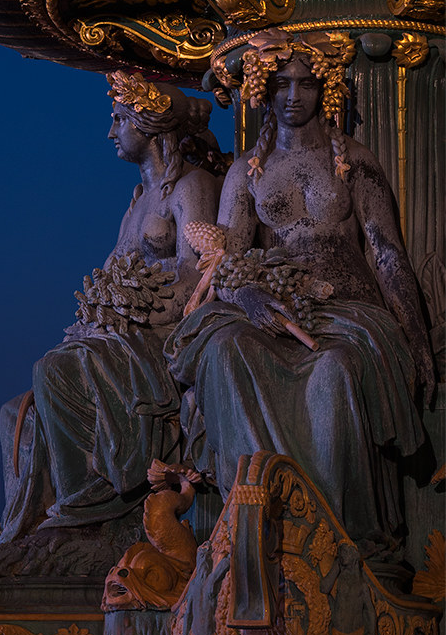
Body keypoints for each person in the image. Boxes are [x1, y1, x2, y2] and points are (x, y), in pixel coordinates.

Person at [166, 30, 435, 562]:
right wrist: (247, 300)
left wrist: (416, 336)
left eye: (307, 85)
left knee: (334, 370)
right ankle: (255, 518)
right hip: (272, 304)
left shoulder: (353, 161)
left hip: (348, 307)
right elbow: (226, 260)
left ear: (324, 90)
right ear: (265, 91)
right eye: (283, 84)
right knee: (226, 350)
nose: (294, 96)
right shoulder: (246, 172)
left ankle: (338, 530)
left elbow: (386, 255)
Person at [0, 73, 226, 580]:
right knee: (12, 413)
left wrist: (129, 304)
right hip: (120, 336)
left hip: (162, 335)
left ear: (149, 124)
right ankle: (30, 527)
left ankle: (85, 513)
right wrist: (103, 308)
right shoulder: (137, 202)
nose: (111, 132)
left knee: (55, 369)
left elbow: (197, 275)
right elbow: (112, 274)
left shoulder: (191, 186)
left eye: (119, 119)